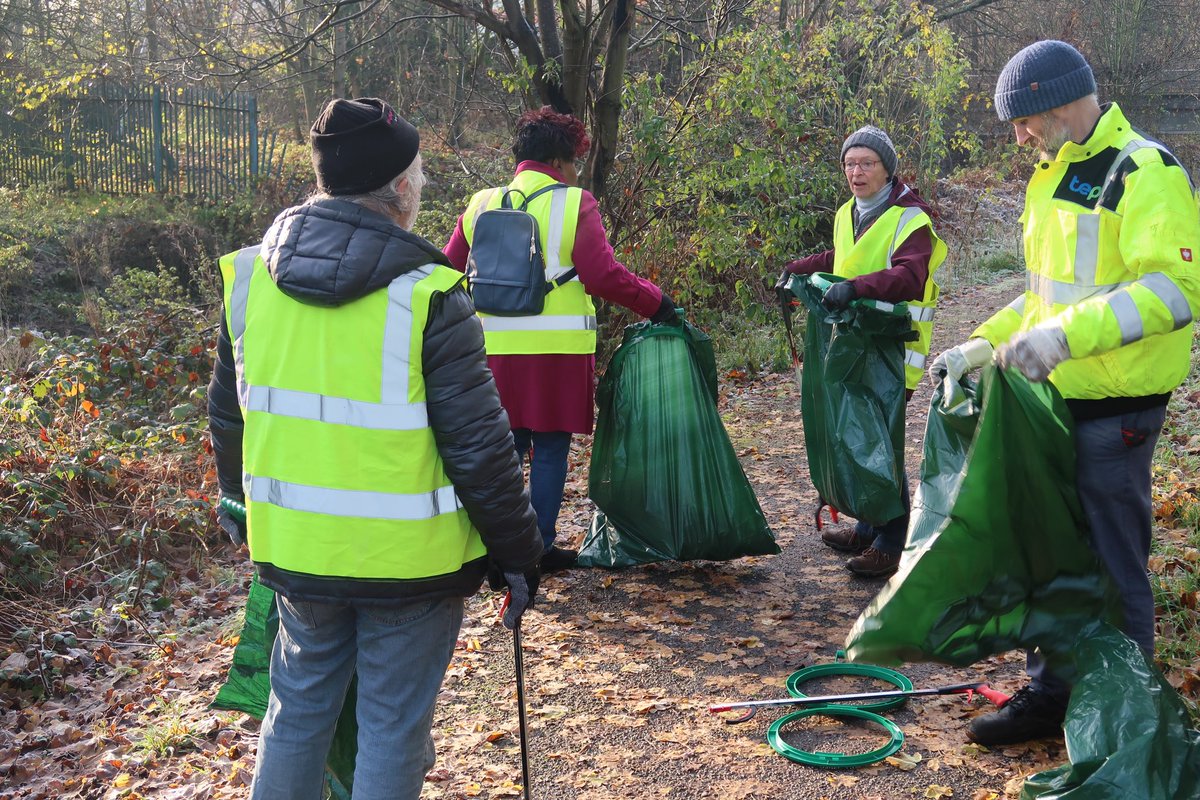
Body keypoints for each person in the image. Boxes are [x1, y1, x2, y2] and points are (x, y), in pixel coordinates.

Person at [207, 97, 543, 800]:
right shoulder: (431, 293)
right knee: (392, 728)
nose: (422, 184)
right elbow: (480, 450)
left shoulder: (249, 280)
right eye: (418, 172)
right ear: (399, 187)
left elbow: (228, 416)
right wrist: (518, 554)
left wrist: (235, 498)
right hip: (409, 566)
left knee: (295, 713)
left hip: (298, 553)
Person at [931, 40, 1200, 746]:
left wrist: (1065, 338)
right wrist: (980, 344)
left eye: (1023, 121)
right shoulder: (1050, 176)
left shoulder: (1144, 170)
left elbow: (1174, 292)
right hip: (1053, 406)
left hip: (1117, 412)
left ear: (1058, 103)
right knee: (1052, 555)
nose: (1019, 137)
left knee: (1111, 566)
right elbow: (1044, 298)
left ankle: (1126, 726)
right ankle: (1053, 696)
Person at [444, 107, 678, 572]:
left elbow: (447, 270)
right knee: (550, 450)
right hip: (556, 353)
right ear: (558, 161)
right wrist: (657, 303)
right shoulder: (575, 203)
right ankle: (539, 549)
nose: (575, 171)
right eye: (573, 161)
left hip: (491, 352)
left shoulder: (480, 203)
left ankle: (494, 550)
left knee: (502, 452)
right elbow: (603, 275)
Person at [778, 125, 947, 578]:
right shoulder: (849, 212)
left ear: (887, 169)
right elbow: (841, 257)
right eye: (850, 163)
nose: (857, 172)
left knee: (880, 442)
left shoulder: (911, 220)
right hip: (856, 344)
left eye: (867, 163)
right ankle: (869, 529)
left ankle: (891, 541)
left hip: (894, 348)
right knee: (858, 435)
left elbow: (909, 277)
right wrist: (796, 269)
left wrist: (856, 288)